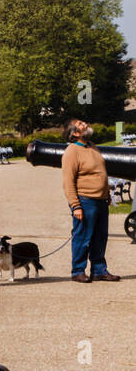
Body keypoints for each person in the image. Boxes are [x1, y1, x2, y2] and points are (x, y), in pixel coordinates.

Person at [61, 117, 121, 283]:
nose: (85, 124)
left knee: (100, 237)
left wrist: (106, 195)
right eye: (81, 124)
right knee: (83, 237)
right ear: (75, 133)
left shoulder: (92, 146)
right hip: (85, 200)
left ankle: (99, 270)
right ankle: (78, 270)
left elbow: (100, 172)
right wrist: (75, 206)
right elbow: (68, 182)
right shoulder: (72, 151)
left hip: (100, 200)